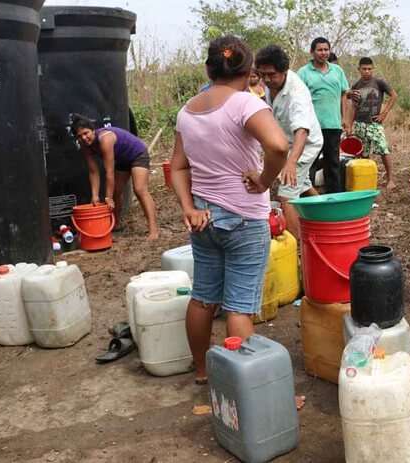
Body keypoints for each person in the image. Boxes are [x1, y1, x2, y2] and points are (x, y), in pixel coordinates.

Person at [169, 36, 291, 390]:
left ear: (209, 68)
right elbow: (279, 145)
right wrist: (265, 180)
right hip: (243, 219)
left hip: (203, 219)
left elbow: (177, 167)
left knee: (204, 298)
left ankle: (203, 372)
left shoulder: (187, 109)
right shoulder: (246, 105)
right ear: (249, 71)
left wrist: (189, 207)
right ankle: (241, 389)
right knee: (238, 307)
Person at [256, 45, 323, 239]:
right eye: (263, 75)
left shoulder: (297, 93)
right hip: (289, 143)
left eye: (272, 75)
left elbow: (302, 131)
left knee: (286, 195)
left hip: (306, 144)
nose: (267, 80)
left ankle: (298, 248)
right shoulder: (271, 86)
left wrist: (291, 162)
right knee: (303, 185)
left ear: (284, 71)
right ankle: (329, 220)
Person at [71, 114, 159, 240]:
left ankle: (153, 230)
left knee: (140, 189)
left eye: (86, 133)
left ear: (93, 130)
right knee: (117, 192)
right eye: (79, 136)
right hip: (122, 160)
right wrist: (95, 196)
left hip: (137, 154)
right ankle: (115, 225)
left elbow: (109, 172)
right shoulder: (86, 147)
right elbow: (93, 172)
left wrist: (108, 197)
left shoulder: (105, 139)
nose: (84, 138)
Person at [297, 37, 351, 193]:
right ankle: (307, 198)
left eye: (326, 50)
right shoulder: (303, 73)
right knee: (309, 162)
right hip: (311, 126)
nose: (323, 53)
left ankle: (334, 197)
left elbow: (343, 95)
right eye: (320, 50)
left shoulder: (337, 71)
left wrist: (345, 119)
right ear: (312, 52)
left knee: (333, 163)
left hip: (333, 125)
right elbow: (297, 99)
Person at [347, 57, 399, 189]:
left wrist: (384, 113)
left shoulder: (379, 83)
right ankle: (366, 179)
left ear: (373, 69)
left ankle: (390, 180)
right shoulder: (356, 86)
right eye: (364, 69)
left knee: (383, 149)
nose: (367, 71)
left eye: (369, 69)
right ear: (359, 69)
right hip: (360, 123)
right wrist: (349, 125)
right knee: (362, 153)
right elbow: (353, 106)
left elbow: (394, 95)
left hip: (374, 123)